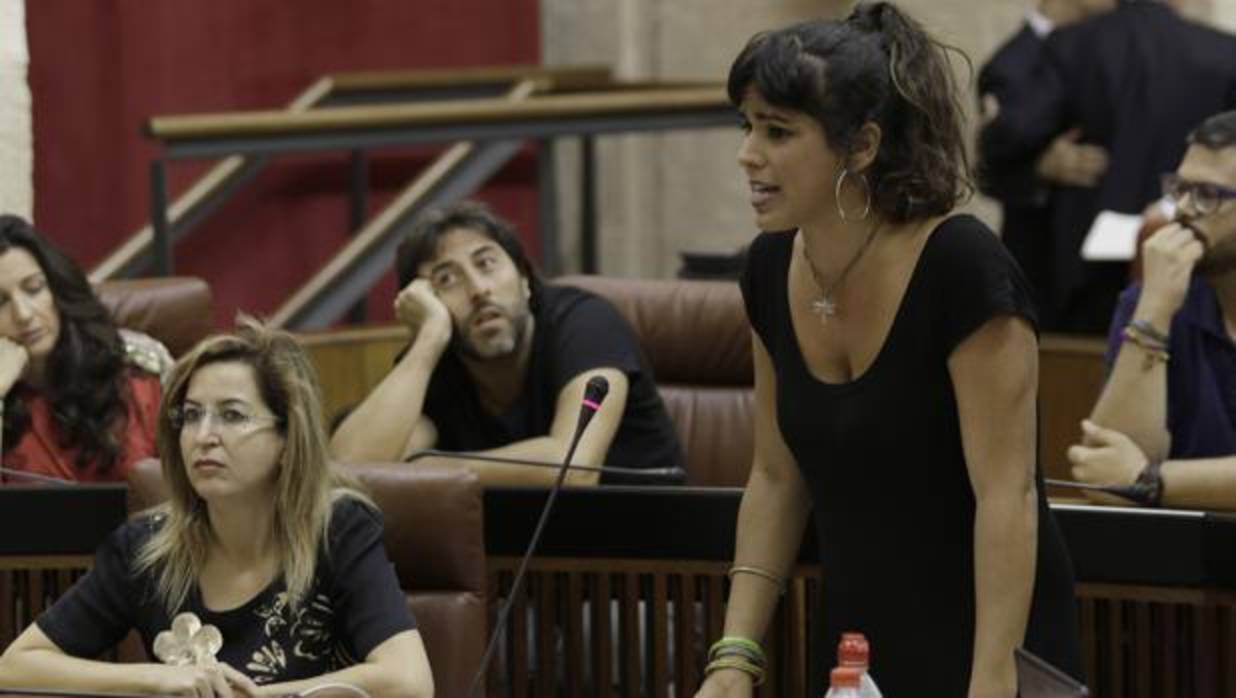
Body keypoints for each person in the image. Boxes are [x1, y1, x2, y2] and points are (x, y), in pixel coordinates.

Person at [696, 4, 1081, 697]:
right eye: (746, 125)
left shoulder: (961, 265)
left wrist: (994, 679)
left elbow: (1007, 495)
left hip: (990, 639)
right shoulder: (766, 267)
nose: (747, 154)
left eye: (778, 131)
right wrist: (735, 654)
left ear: (863, 146)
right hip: (855, 640)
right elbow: (778, 477)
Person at [0, 317, 433, 698]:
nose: (204, 435)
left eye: (232, 416)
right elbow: (14, 670)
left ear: (287, 439)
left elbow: (408, 681)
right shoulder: (146, 548)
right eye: (191, 416)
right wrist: (157, 680)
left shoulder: (337, 528)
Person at [330, 200, 685, 486]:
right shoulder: (435, 357)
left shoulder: (585, 322)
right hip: (515, 566)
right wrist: (427, 342)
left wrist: (430, 466)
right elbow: (348, 471)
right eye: (447, 279)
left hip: (651, 559)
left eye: (486, 264)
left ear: (526, 280)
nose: (478, 290)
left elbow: (573, 468)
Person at [979, 0, 1236, 334]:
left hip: (1078, 274)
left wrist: (1042, 162)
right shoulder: (1224, 54)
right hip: (1188, 262)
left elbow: (1012, 135)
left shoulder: (1068, 44)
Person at [1069, 110, 1236, 511]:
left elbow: (1131, 479)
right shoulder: (1153, 299)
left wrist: (1152, 480)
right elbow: (1108, 478)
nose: (1182, 209)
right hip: (1182, 561)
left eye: (1208, 195)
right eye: (1179, 188)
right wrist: (1155, 311)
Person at [975, 0, 1114, 330]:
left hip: (1098, 265)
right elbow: (988, 170)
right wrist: (1039, 168)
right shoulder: (1014, 61)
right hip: (1042, 263)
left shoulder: (1105, 48)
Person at [0, 214, 168, 483]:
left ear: (57, 288)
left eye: (33, 289)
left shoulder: (134, 367)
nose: (23, 314)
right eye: (0, 303)